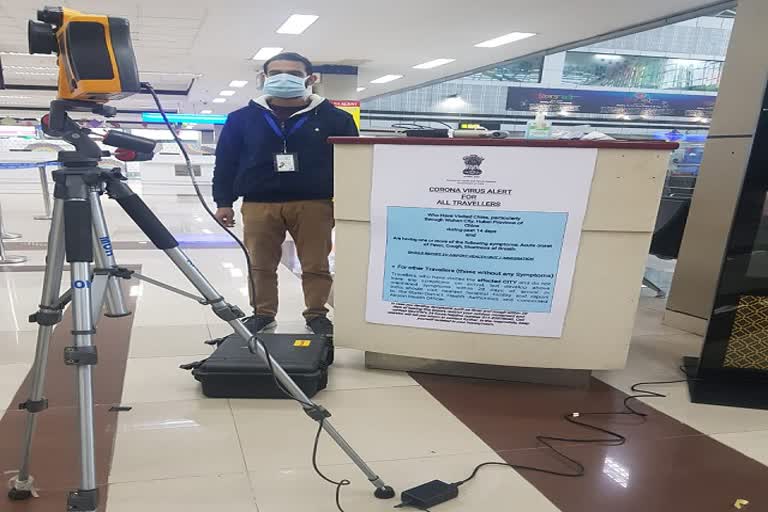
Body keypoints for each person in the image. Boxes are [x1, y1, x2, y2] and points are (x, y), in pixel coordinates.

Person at [212, 52, 358, 335]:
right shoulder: (241, 119)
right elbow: (226, 162)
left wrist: (348, 203)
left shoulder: (336, 118)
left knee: (316, 264)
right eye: (275, 73)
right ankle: (263, 313)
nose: (283, 78)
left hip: (314, 204)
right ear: (263, 79)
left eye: (292, 73)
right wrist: (223, 202)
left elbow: (350, 164)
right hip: (258, 204)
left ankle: (316, 313)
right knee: (259, 264)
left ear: (310, 79)